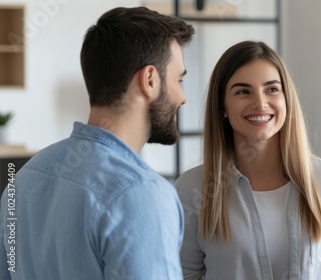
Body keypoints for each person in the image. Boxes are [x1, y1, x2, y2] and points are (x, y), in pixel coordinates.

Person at [0, 7, 194, 280]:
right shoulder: (142, 194)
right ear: (149, 80)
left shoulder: (23, 180)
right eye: (179, 80)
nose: (183, 97)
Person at [175, 40, 321, 280]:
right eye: (243, 91)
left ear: (286, 99)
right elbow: (186, 275)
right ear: (222, 107)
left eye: (272, 89)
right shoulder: (192, 187)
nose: (260, 103)